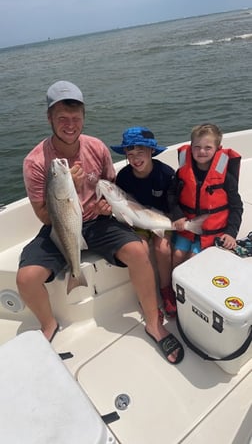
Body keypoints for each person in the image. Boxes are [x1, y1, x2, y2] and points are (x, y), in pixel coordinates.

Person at [16, 80, 184, 365]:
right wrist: (66, 188)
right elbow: (44, 216)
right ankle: (48, 325)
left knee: (139, 251)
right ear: (49, 118)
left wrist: (107, 206)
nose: (70, 125)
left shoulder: (96, 147)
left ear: (83, 118)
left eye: (76, 119)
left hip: (98, 221)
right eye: (62, 119)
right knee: (26, 278)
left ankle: (154, 323)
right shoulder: (35, 162)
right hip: (60, 226)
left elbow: (110, 184)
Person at [111, 126, 177, 317]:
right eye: (130, 153)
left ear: (151, 151)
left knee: (162, 249)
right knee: (140, 250)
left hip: (161, 219)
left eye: (140, 152)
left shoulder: (166, 174)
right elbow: (122, 208)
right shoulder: (123, 177)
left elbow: (173, 205)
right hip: (137, 223)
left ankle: (166, 289)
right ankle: (147, 294)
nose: (135, 158)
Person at [171, 123, 243, 268]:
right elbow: (171, 196)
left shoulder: (226, 177)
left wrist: (231, 233)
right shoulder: (182, 173)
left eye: (208, 147)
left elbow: (237, 207)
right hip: (187, 228)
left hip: (212, 232)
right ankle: (175, 287)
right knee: (177, 255)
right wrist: (177, 215)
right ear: (191, 147)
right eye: (197, 147)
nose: (201, 151)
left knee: (193, 258)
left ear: (218, 149)